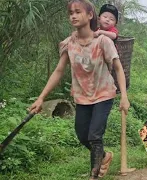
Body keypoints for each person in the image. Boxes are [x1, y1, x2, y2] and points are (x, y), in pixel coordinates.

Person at [28, 0, 130, 179]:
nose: (73, 16)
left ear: (90, 15)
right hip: (82, 96)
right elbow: (59, 71)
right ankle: (104, 156)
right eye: (71, 13)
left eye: (77, 12)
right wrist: (41, 98)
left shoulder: (103, 41)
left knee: (94, 135)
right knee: (82, 135)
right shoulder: (69, 44)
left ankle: (95, 174)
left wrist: (124, 97)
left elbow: (118, 68)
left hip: (104, 93)